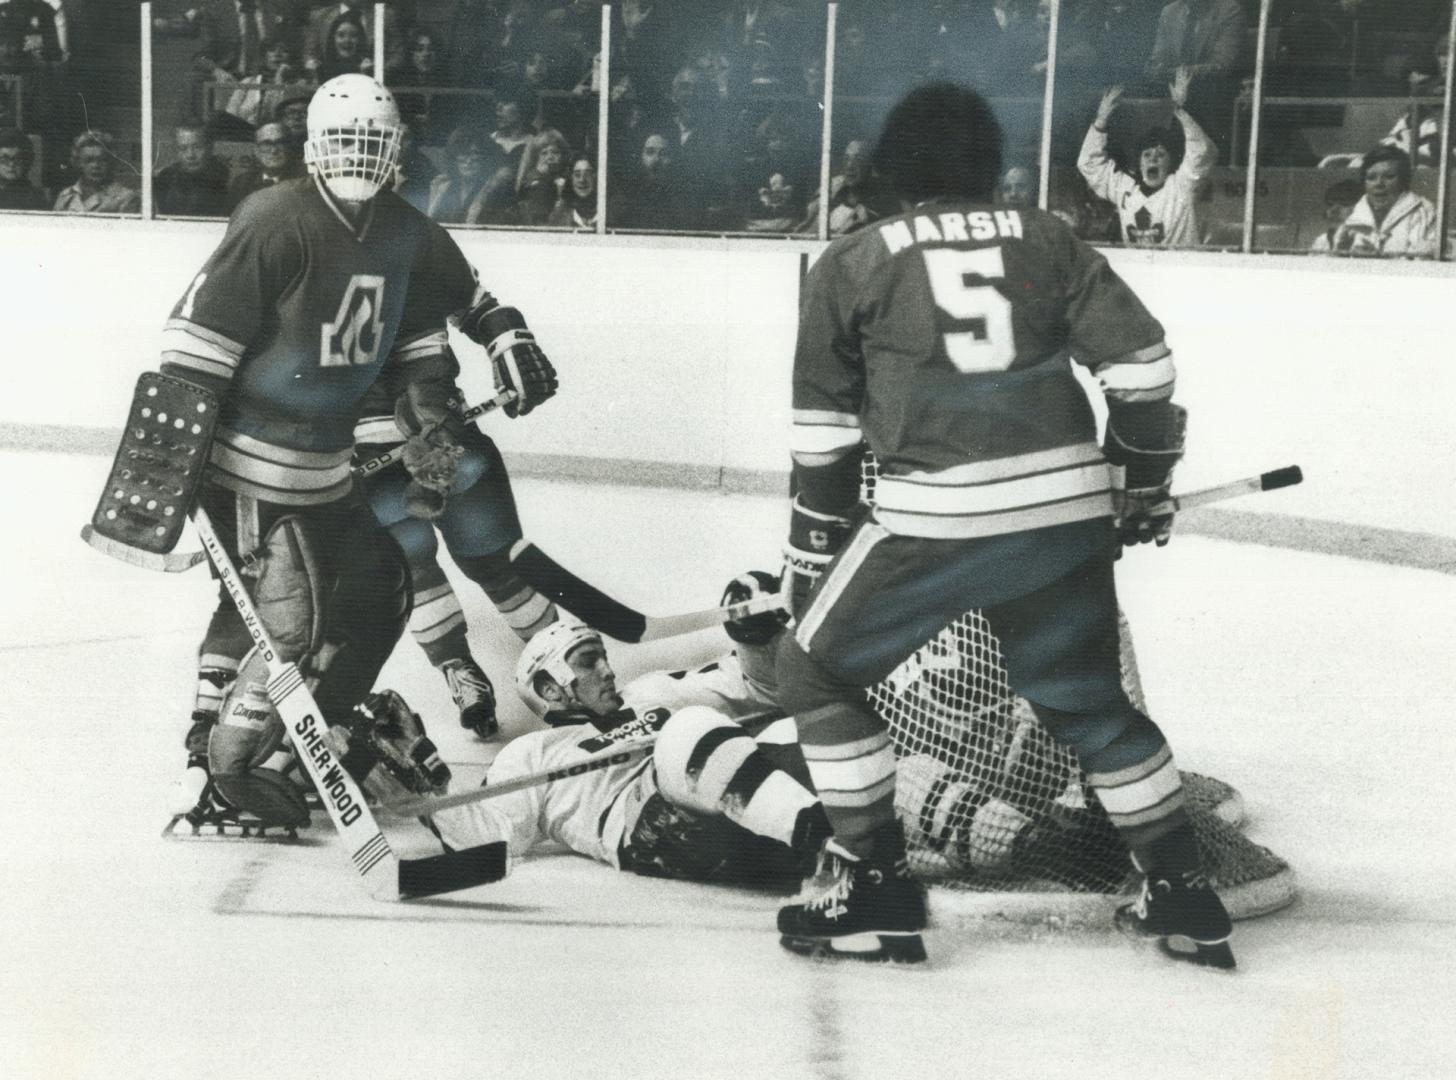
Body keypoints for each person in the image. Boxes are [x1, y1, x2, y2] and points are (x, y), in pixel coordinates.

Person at [773, 81, 1233, 968]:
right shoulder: (1046, 235)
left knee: (812, 671)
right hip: (1062, 513)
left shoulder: (853, 258)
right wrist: (1138, 481)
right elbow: (1144, 374)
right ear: (992, 164)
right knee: (1089, 703)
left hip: (934, 516)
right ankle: (1183, 893)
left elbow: (825, 440)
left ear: (892, 170)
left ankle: (873, 886)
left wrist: (811, 557)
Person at [164, 74, 559, 829]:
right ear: (313, 150)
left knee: (382, 593)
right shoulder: (274, 218)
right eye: (343, 141)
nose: (357, 156)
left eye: (369, 142)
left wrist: (505, 329)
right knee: (285, 617)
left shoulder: (405, 232)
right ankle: (220, 765)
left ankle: (301, 742)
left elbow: (459, 302)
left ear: (396, 151)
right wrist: (171, 468)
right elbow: (194, 347)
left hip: (328, 468)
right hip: (247, 462)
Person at [421, 582, 833, 892]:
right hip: (657, 832)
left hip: (746, 817)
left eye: (603, 656)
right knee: (688, 728)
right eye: (588, 662)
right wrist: (427, 783)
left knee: (798, 735)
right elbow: (497, 836)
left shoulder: (652, 692)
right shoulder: (532, 752)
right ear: (550, 688)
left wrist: (754, 634)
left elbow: (760, 690)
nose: (607, 669)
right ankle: (827, 846)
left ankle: (870, 840)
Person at [353, 386, 560, 738]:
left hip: (436, 434)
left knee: (490, 557)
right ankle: (458, 666)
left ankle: (558, 652)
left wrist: (504, 335)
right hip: (371, 458)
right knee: (413, 567)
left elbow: (425, 345)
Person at [1077, 68, 1215, 248]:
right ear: (1139, 162)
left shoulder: (1181, 187)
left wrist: (1181, 110)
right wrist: (1100, 122)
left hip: (1179, 272)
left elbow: (1201, 152)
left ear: (1170, 162)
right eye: (1147, 155)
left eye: (1160, 155)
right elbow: (1089, 164)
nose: (1153, 159)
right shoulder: (1125, 189)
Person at [1327, 144, 1438, 258]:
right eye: (1371, 178)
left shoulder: (1423, 214)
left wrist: (1377, 260)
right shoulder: (1353, 217)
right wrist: (1341, 254)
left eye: (1389, 177)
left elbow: (1421, 268)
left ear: (1403, 182)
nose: (1378, 184)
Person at [154, 122, 232, 217]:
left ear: (210, 148)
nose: (190, 155)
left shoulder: (226, 181)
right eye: (183, 148)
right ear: (175, 150)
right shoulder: (165, 179)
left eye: (197, 147)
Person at [51, 130, 140, 214]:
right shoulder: (66, 196)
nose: (96, 166)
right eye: (88, 160)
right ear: (78, 163)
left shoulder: (126, 197)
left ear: (110, 162)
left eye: (102, 160)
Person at [225, 119, 305, 210]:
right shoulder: (241, 184)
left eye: (280, 143)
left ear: (289, 147)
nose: (274, 150)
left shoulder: (303, 183)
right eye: (267, 144)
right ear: (256, 150)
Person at [1308, 177, 1363, 254]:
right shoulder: (1321, 241)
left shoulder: (1366, 241)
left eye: (1344, 202)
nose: (1334, 210)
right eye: (1330, 203)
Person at [545, 154, 597, 229]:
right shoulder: (558, 216)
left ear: (596, 177)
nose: (582, 180)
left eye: (588, 174)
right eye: (577, 175)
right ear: (571, 179)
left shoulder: (611, 216)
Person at [0, 126, 47, 209]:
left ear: (26, 161)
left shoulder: (35, 197)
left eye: (17, 159)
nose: (11, 164)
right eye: (4, 159)